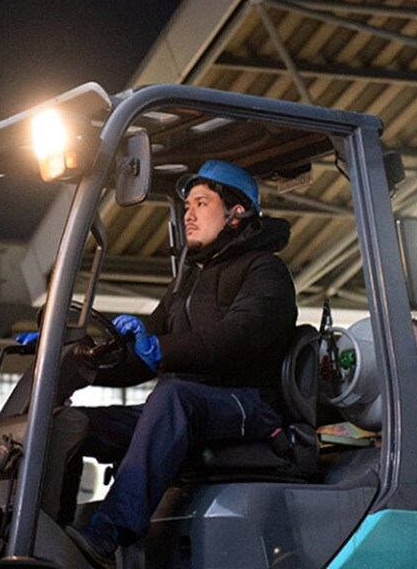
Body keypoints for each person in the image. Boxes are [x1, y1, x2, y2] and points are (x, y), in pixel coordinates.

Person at [63, 159, 298, 569]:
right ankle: (47, 532)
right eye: (187, 205)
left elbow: (234, 341)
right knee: (68, 424)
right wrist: (78, 359)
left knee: (172, 396)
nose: (188, 214)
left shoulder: (266, 272)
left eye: (201, 203)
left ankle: (107, 534)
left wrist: (160, 349)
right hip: (186, 406)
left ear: (237, 213)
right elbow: (141, 352)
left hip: (247, 403)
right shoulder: (188, 282)